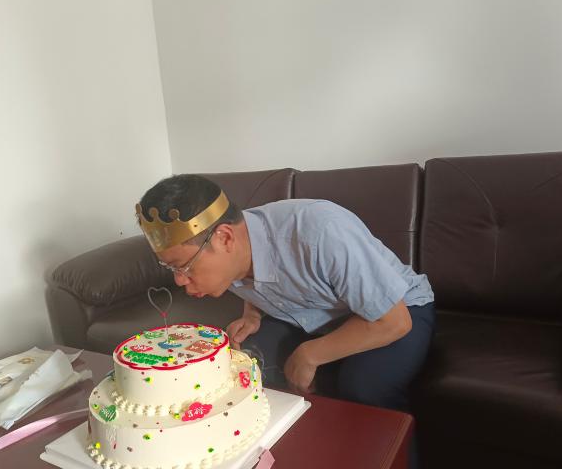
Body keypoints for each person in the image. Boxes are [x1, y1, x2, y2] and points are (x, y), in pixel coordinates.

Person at [136, 174, 435, 413]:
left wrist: (311, 354)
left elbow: (394, 321)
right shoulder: (235, 250)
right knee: (245, 363)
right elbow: (254, 277)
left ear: (224, 237)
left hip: (396, 308)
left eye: (184, 266)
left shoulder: (320, 231)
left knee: (364, 386)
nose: (179, 280)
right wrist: (252, 314)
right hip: (316, 315)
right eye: (169, 267)